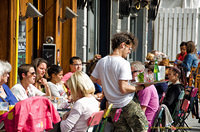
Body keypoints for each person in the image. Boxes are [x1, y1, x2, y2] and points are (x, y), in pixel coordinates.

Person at [90, 32, 148, 132]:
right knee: (142, 129)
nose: (129, 52)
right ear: (123, 45)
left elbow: (92, 79)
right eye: (129, 48)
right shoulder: (123, 63)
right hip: (127, 103)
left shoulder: (102, 61)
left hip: (113, 106)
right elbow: (124, 88)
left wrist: (107, 83)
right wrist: (141, 87)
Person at [131, 61, 159, 131]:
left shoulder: (146, 88)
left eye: (132, 73)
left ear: (140, 72)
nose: (129, 75)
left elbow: (141, 111)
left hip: (146, 123)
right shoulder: (143, 85)